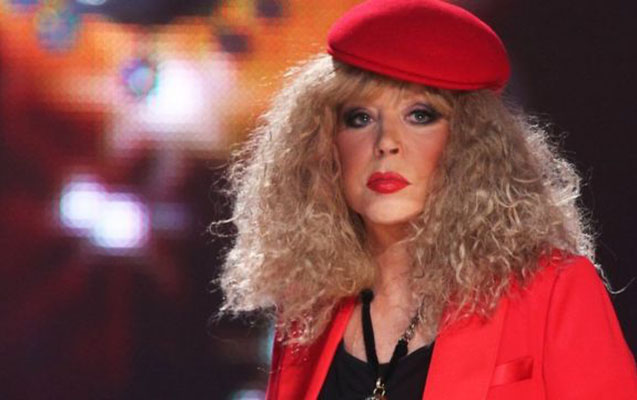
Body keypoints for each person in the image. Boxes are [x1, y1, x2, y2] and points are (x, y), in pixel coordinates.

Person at [216, 0, 637, 398]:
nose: (386, 143)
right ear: (325, 146)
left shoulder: (555, 290)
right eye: (360, 118)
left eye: (420, 115)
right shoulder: (310, 312)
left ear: (472, 144)